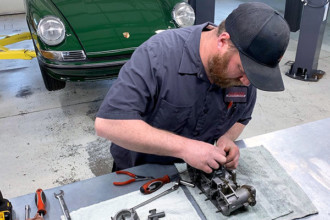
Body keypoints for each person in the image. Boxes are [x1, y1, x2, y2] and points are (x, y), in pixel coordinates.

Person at [95, 2, 290, 173]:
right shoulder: (158, 55)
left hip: (196, 176)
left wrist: (227, 138)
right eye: (243, 69)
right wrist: (185, 148)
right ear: (222, 41)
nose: (247, 82)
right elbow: (108, 124)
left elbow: (241, 117)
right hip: (139, 175)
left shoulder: (244, 74)